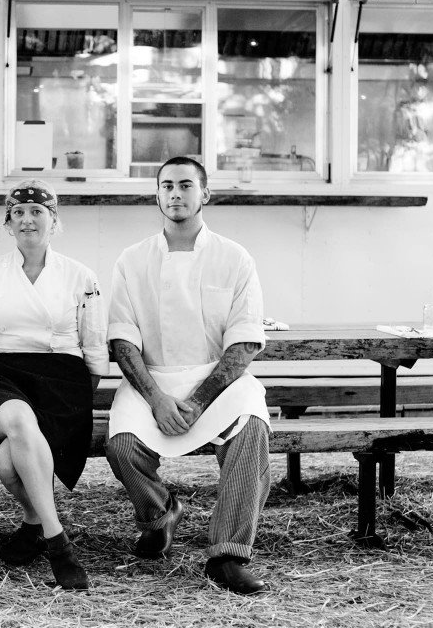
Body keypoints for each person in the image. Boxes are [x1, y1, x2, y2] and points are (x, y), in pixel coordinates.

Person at [106, 157, 271, 595]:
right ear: (157, 194)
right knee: (122, 448)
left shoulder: (234, 258)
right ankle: (161, 515)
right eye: (166, 186)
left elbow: (243, 345)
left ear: (205, 194)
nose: (175, 194)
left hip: (218, 381)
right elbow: (123, 342)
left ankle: (229, 554)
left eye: (185, 185)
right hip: (154, 379)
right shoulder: (133, 259)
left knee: (252, 430)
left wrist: (198, 401)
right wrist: (157, 398)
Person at [0, 180, 107, 591]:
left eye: (37, 212)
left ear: (54, 221)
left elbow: (93, 346)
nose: (27, 219)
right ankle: (59, 544)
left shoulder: (80, 274)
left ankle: (33, 523)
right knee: (19, 422)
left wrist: (77, 396)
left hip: (63, 380)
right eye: (17, 213)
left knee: (7, 462)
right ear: (8, 224)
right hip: (4, 377)